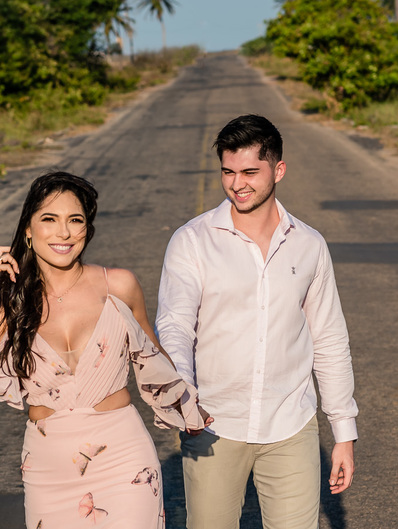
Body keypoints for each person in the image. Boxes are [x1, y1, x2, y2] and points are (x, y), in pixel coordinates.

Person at [0, 171, 207, 528]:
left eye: (75, 220)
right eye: (49, 220)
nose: (64, 233)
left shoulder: (118, 285)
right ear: (28, 229)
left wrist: (188, 404)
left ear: (88, 227)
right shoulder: (10, 306)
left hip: (124, 456)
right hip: (48, 469)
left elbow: (154, 359)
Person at [156, 114, 358, 529]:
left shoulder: (309, 245)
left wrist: (344, 433)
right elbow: (175, 325)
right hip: (212, 424)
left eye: (250, 171)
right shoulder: (192, 240)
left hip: (290, 424)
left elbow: (329, 338)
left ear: (278, 170)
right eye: (228, 172)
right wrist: (184, 395)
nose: (237, 183)